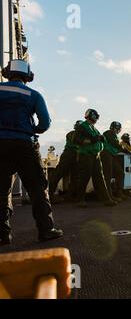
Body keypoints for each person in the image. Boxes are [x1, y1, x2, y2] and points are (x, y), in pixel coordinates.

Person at [0, 59, 63, 245]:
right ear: (28, 76)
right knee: (37, 188)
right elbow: (44, 123)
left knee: (1, 190)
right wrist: (31, 129)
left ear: (6, 73)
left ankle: (3, 234)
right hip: (24, 144)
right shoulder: (33, 94)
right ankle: (46, 230)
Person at [73, 109, 116, 208]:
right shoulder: (82, 127)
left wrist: (101, 139)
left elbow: (98, 139)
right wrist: (92, 140)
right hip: (86, 155)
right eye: (95, 116)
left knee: (100, 178)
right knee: (84, 177)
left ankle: (106, 199)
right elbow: (77, 140)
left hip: (96, 155)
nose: (96, 118)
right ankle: (80, 200)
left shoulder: (93, 128)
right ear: (90, 116)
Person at [48, 120, 83, 203]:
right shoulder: (72, 134)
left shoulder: (77, 135)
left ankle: (69, 196)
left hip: (76, 156)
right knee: (58, 174)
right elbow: (76, 141)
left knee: (75, 176)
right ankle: (49, 195)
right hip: (68, 155)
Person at [102, 122, 127, 201]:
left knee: (120, 173)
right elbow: (115, 144)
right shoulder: (109, 133)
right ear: (117, 128)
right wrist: (124, 148)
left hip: (112, 156)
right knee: (108, 176)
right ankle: (109, 196)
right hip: (106, 155)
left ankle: (119, 192)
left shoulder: (112, 135)